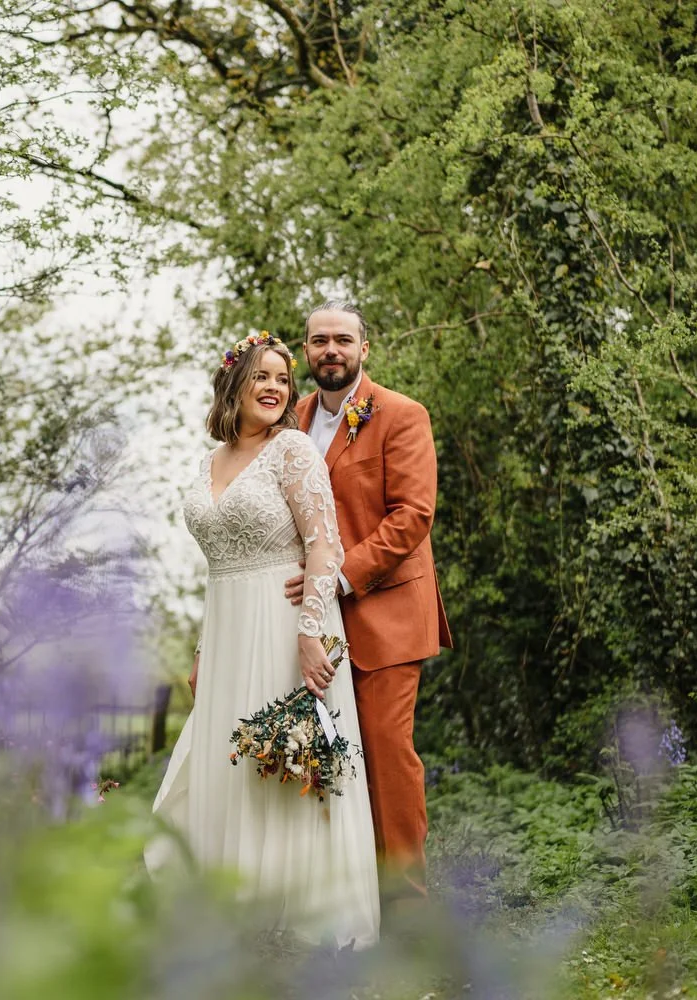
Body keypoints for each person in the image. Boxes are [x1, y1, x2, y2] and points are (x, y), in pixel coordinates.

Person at [146, 330, 380, 949]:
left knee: (287, 759)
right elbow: (213, 565)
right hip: (227, 629)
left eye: (283, 377)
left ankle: (303, 916)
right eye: (262, 377)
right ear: (234, 386)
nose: (275, 387)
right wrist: (201, 650)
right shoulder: (209, 462)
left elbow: (324, 544)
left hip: (287, 623)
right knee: (226, 758)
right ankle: (233, 902)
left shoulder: (294, 450)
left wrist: (312, 633)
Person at [283, 300, 452, 908]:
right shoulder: (290, 420)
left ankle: (407, 902)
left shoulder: (402, 415)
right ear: (305, 350)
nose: (331, 350)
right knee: (318, 752)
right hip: (309, 624)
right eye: (319, 340)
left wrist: (336, 579)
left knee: (386, 753)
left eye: (343, 340)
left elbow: (413, 517)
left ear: (364, 348)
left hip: (383, 613)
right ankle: (338, 894)